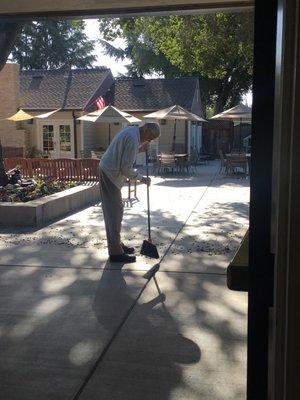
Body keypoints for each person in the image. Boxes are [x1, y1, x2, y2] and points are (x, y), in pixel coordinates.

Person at [99, 122, 160, 263]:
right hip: (110, 174)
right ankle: (115, 253)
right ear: (145, 129)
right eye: (150, 138)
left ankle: (117, 244)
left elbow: (124, 153)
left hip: (110, 172)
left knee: (117, 211)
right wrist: (142, 178)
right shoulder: (133, 139)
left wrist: (140, 149)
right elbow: (126, 168)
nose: (149, 141)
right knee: (113, 213)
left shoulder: (131, 131)